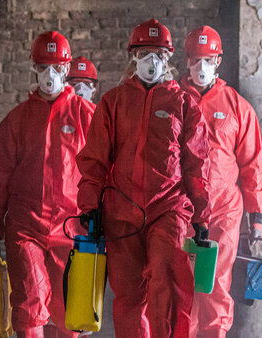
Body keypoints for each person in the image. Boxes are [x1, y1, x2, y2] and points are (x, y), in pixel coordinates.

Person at [76, 19, 212, 338]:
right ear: (133, 56)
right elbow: (94, 160)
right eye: (144, 52)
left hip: (169, 210)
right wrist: (89, 207)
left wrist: (202, 215)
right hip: (122, 214)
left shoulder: (183, 105)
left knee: (168, 285)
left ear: (168, 57)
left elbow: (197, 164)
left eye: (158, 53)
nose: (152, 60)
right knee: (128, 297)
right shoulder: (113, 103)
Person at [0, 31, 96, 338]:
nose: (50, 75)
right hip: (25, 227)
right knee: (29, 306)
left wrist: (101, 217)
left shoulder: (87, 117)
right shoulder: (16, 121)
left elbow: (102, 170)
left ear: (67, 69)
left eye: (57, 67)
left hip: (72, 227)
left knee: (72, 314)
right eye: (44, 67)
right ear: (34, 67)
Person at [179, 26, 262, 338]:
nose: (201, 67)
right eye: (195, 59)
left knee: (216, 283)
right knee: (185, 288)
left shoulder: (237, 107)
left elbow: (252, 165)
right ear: (186, 61)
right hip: (183, 211)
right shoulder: (173, 102)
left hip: (223, 213)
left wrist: (256, 218)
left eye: (208, 59)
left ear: (218, 61)